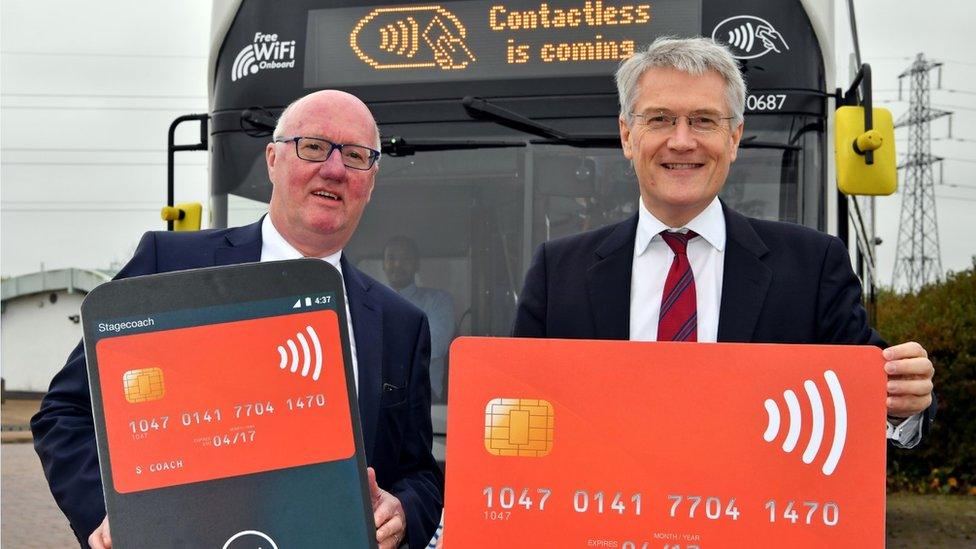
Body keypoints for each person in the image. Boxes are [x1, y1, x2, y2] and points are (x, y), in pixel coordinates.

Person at [31, 90, 443, 549]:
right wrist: (110, 514)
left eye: (355, 155)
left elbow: (420, 475)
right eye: (312, 146)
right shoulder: (169, 263)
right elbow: (65, 414)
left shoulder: (401, 324)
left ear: (372, 179)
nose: (333, 169)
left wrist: (401, 512)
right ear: (272, 159)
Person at [512, 37, 935, 447]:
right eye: (659, 119)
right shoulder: (558, 272)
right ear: (627, 136)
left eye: (703, 120)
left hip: (758, 517)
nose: (681, 140)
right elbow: (520, 410)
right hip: (603, 515)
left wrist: (903, 404)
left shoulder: (813, 265)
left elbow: (868, 395)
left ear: (733, 138)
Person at [383, 236, 455, 402]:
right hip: (378, 399)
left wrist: (383, 343)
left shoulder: (439, 300)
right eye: (391, 258)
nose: (397, 265)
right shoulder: (369, 302)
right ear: (383, 264)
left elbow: (435, 345)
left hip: (424, 398)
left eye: (405, 258)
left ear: (417, 264)